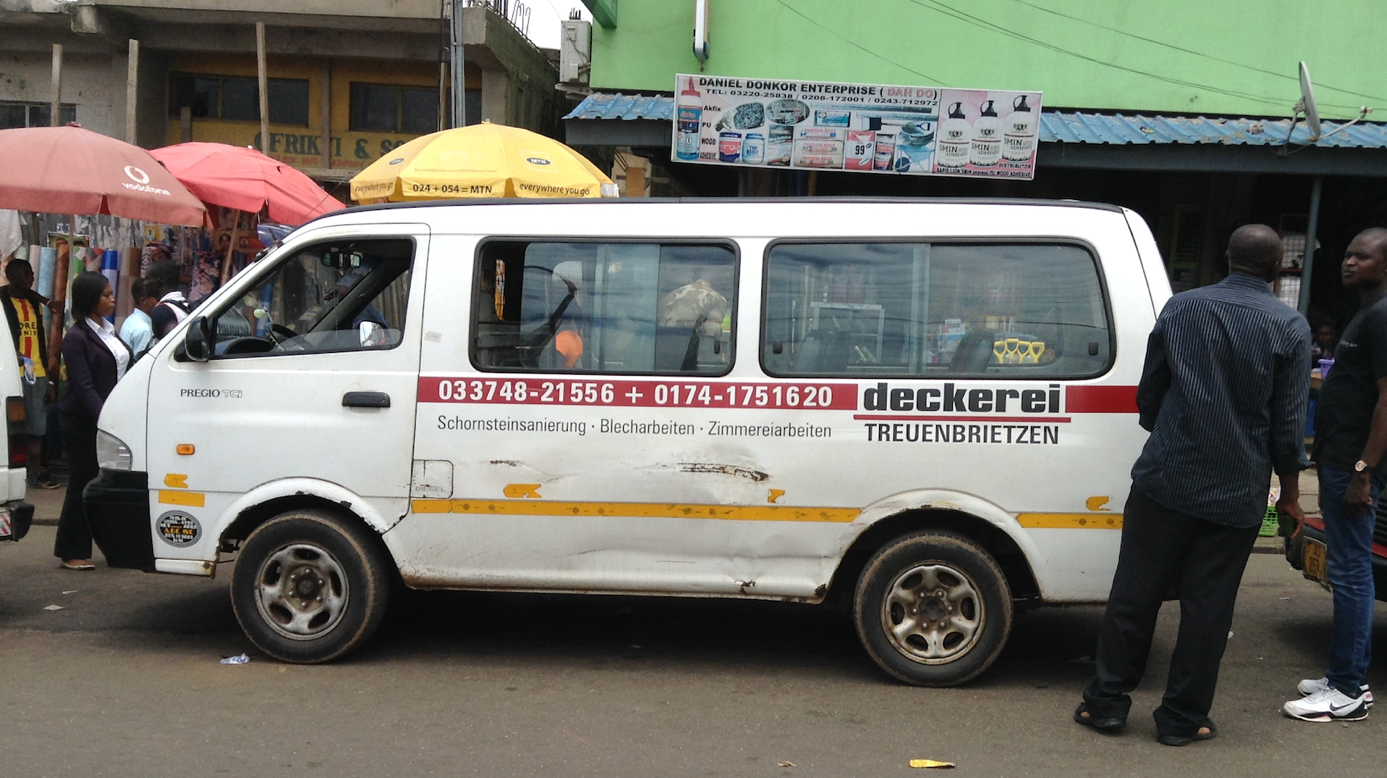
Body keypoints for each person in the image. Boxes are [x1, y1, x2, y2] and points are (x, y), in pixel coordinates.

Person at [1074, 224, 1310, 745]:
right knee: (1209, 609)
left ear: (1226, 258)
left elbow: (1150, 392)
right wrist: (1290, 497)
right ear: (1276, 270)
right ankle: (1182, 719)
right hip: (1237, 492)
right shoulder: (1290, 327)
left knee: (1135, 593)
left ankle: (1105, 705)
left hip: (1166, 479)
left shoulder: (1181, 308)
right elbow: (1288, 428)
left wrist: (1172, 432)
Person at [1283, 227, 1387, 722]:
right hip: (1340, 462)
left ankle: (1345, 690)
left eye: (1361, 257)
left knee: (1351, 574)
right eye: (1347, 255)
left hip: (1353, 467)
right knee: (1348, 572)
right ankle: (1348, 678)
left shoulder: (1383, 316)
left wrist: (1364, 470)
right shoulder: (1366, 313)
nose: (1349, 262)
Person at [53, 272, 130, 571]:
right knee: (82, 483)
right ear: (90, 299)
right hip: (83, 420)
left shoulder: (110, 332)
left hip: (111, 417)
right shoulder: (76, 338)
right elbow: (84, 387)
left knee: (111, 483)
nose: (112, 298)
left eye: (112, 293)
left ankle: (117, 546)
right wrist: (105, 419)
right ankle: (71, 549)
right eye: (106, 294)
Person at [2, 258, 64, 489]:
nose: (31, 279)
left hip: (35, 373)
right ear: (11, 278)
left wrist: (48, 379)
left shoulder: (33, 303)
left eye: (31, 274)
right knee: (12, 427)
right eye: (25, 275)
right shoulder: (3, 303)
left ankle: (36, 472)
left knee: (37, 426)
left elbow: (41, 342)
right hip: (12, 373)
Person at [146, 260, 190, 341]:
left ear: (158, 282)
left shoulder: (161, 311)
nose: (144, 283)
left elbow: (173, 341)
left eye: (147, 279)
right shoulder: (186, 306)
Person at [118, 277, 158, 361]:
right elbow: (143, 364)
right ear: (144, 300)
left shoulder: (131, 320)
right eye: (157, 297)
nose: (160, 301)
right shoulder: (145, 330)